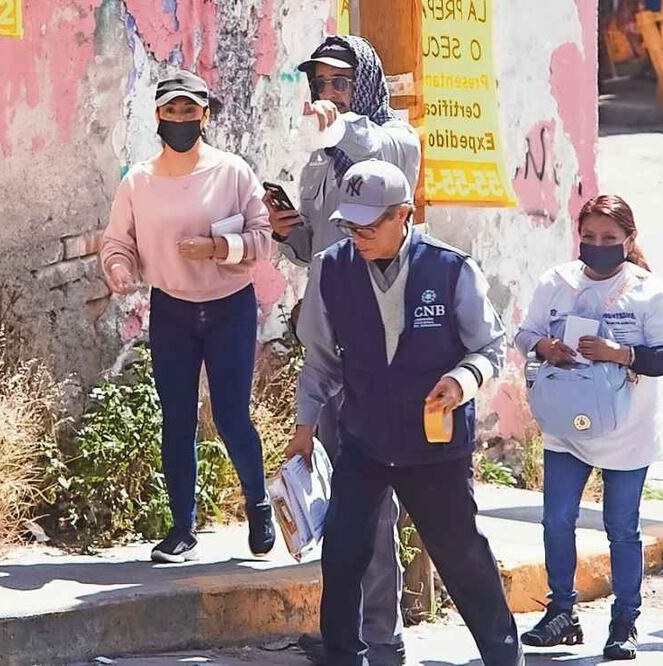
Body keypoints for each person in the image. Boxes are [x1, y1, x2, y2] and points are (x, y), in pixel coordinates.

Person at [285, 159, 523, 666]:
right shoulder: (331, 267)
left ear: (404, 215)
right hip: (364, 439)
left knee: (462, 557)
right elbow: (322, 360)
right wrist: (304, 427)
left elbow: (490, 347)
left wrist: (461, 382)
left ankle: (504, 656)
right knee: (344, 554)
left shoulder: (451, 268)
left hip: (434, 447)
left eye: (371, 225)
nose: (359, 235)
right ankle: (346, 656)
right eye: (351, 224)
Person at [266, 35, 421, 666]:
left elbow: (369, 155)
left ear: (363, 85)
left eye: (339, 82)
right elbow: (314, 249)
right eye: (319, 83)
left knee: (374, 500)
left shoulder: (392, 140)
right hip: (331, 340)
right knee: (337, 499)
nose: (325, 94)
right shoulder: (317, 163)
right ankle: (344, 631)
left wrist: (342, 127)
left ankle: (382, 637)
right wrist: (287, 230)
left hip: (383, 346)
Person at [100, 71, 276, 564]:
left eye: (189, 110)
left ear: (205, 114)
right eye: (171, 110)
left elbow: (263, 239)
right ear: (158, 115)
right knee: (176, 419)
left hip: (229, 306)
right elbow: (119, 241)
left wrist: (218, 247)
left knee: (231, 416)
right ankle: (181, 529)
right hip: (172, 308)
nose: (180, 118)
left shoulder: (232, 171)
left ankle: (258, 503)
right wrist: (118, 267)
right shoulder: (139, 180)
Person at [516, 195, 663, 661]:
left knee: (621, 529)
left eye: (609, 238)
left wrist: (621, 354)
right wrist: (544, 346)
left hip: (626, 432)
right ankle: (561, 614)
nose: (597, 245)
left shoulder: (649, 291)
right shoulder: (556, 282)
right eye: (588, 236)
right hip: (564, 427)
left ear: (629, 241)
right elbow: (524, 333)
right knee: (557, 520)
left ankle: (624, 621)